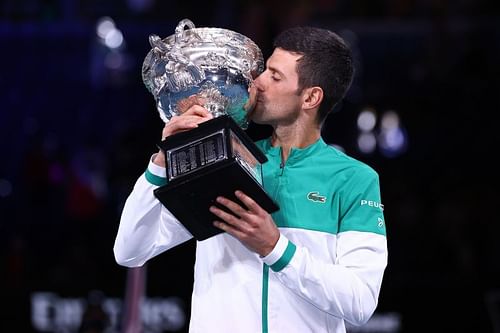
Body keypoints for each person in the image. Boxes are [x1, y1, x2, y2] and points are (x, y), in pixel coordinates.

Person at [114, 25, 388, 333]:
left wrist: (275, 248)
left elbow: (360, 302)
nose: (256, 82)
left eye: (274, 75)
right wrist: (162, 162)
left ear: (311, 97)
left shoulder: (354, 179)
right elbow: (130, 251)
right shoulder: (222, 156)